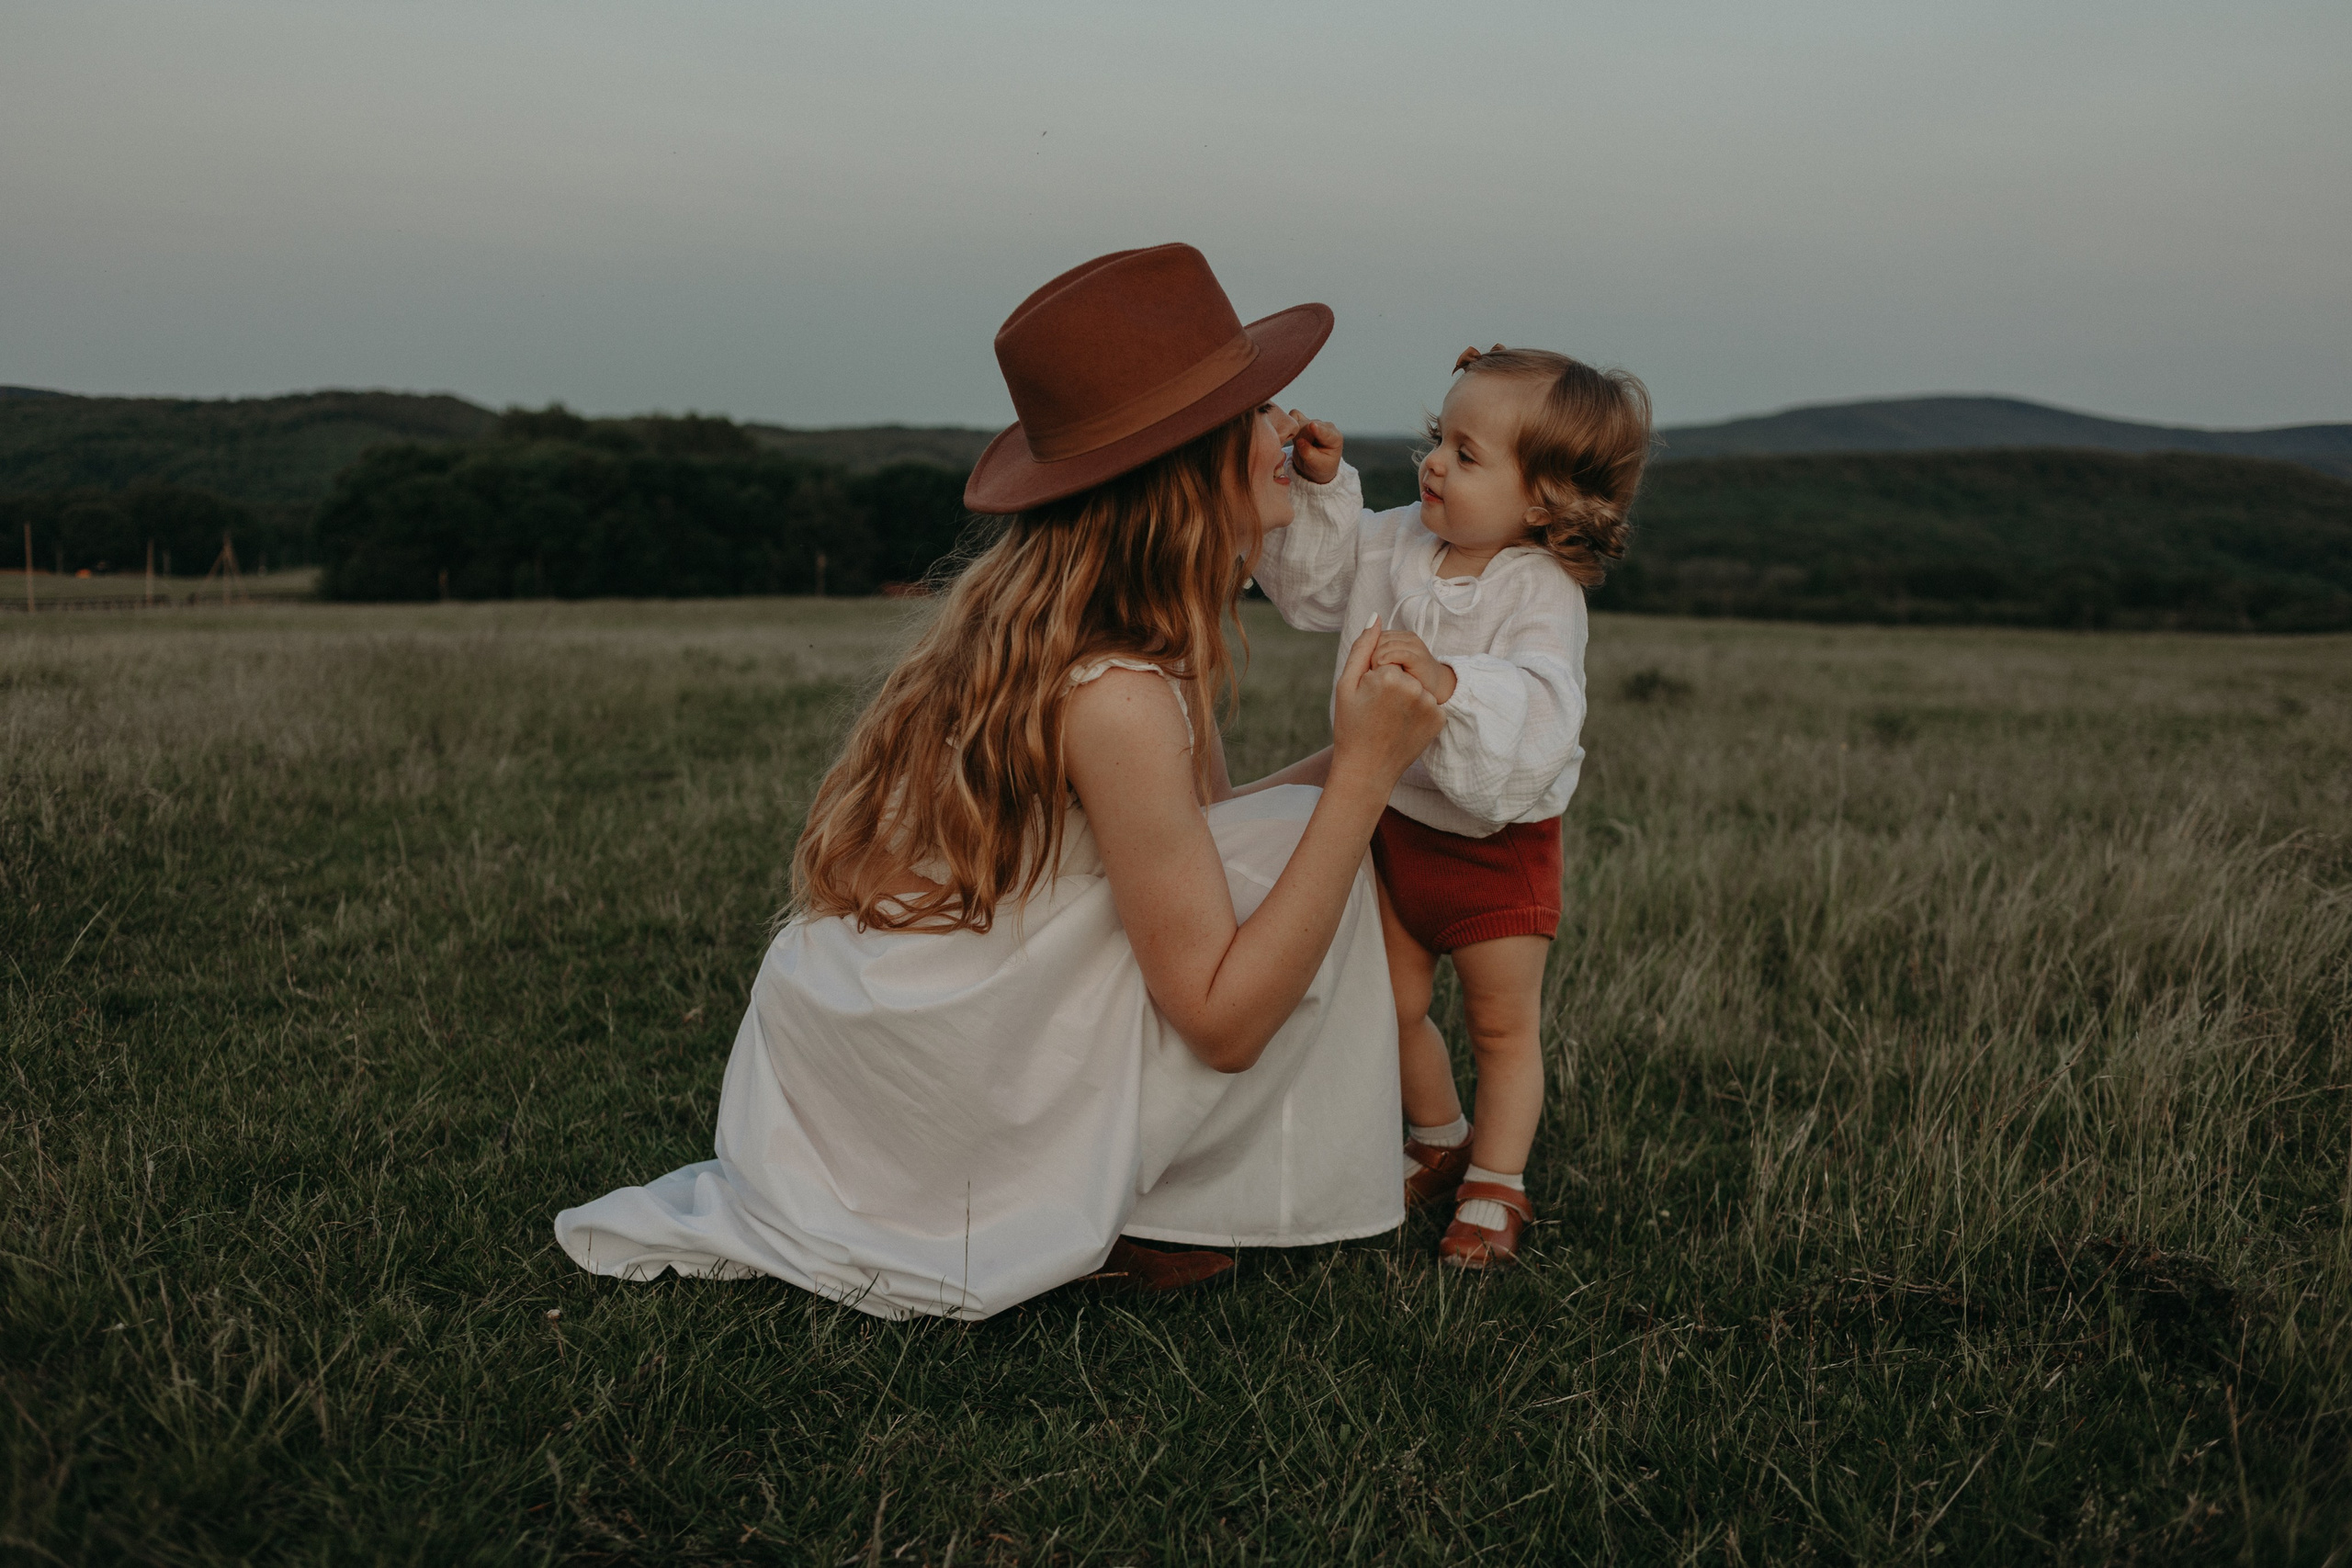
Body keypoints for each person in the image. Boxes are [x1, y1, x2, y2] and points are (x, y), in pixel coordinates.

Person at [554, 244, 1446, 1319]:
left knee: (1304, 829)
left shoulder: (1125, 626)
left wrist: (1377, 754)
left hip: (886, 1038)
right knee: (1320, 841)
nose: (1287, 430)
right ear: (1186, 466)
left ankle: (1131, 1190)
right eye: (1257, 413)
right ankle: (1087, 1197)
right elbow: (1221, 1020)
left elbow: (1199, 839)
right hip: (927, 1096)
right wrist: (1360, 780)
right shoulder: (1115, 690)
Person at [1252, 344, 1652, 1269]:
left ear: (1544, 501)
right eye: (1440, 437)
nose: (1433, 462)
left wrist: (1450, 683)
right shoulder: (1397, 540)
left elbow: (1543, 704)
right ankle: (1439, 1137)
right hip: (1394, 823)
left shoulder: (1539, 590)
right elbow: (1318, 585)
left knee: (1501, 1026)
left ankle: (1497, 1183)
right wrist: (1322, 488)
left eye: (1467, 455)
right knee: (1388, 1004)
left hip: (1493, 848)